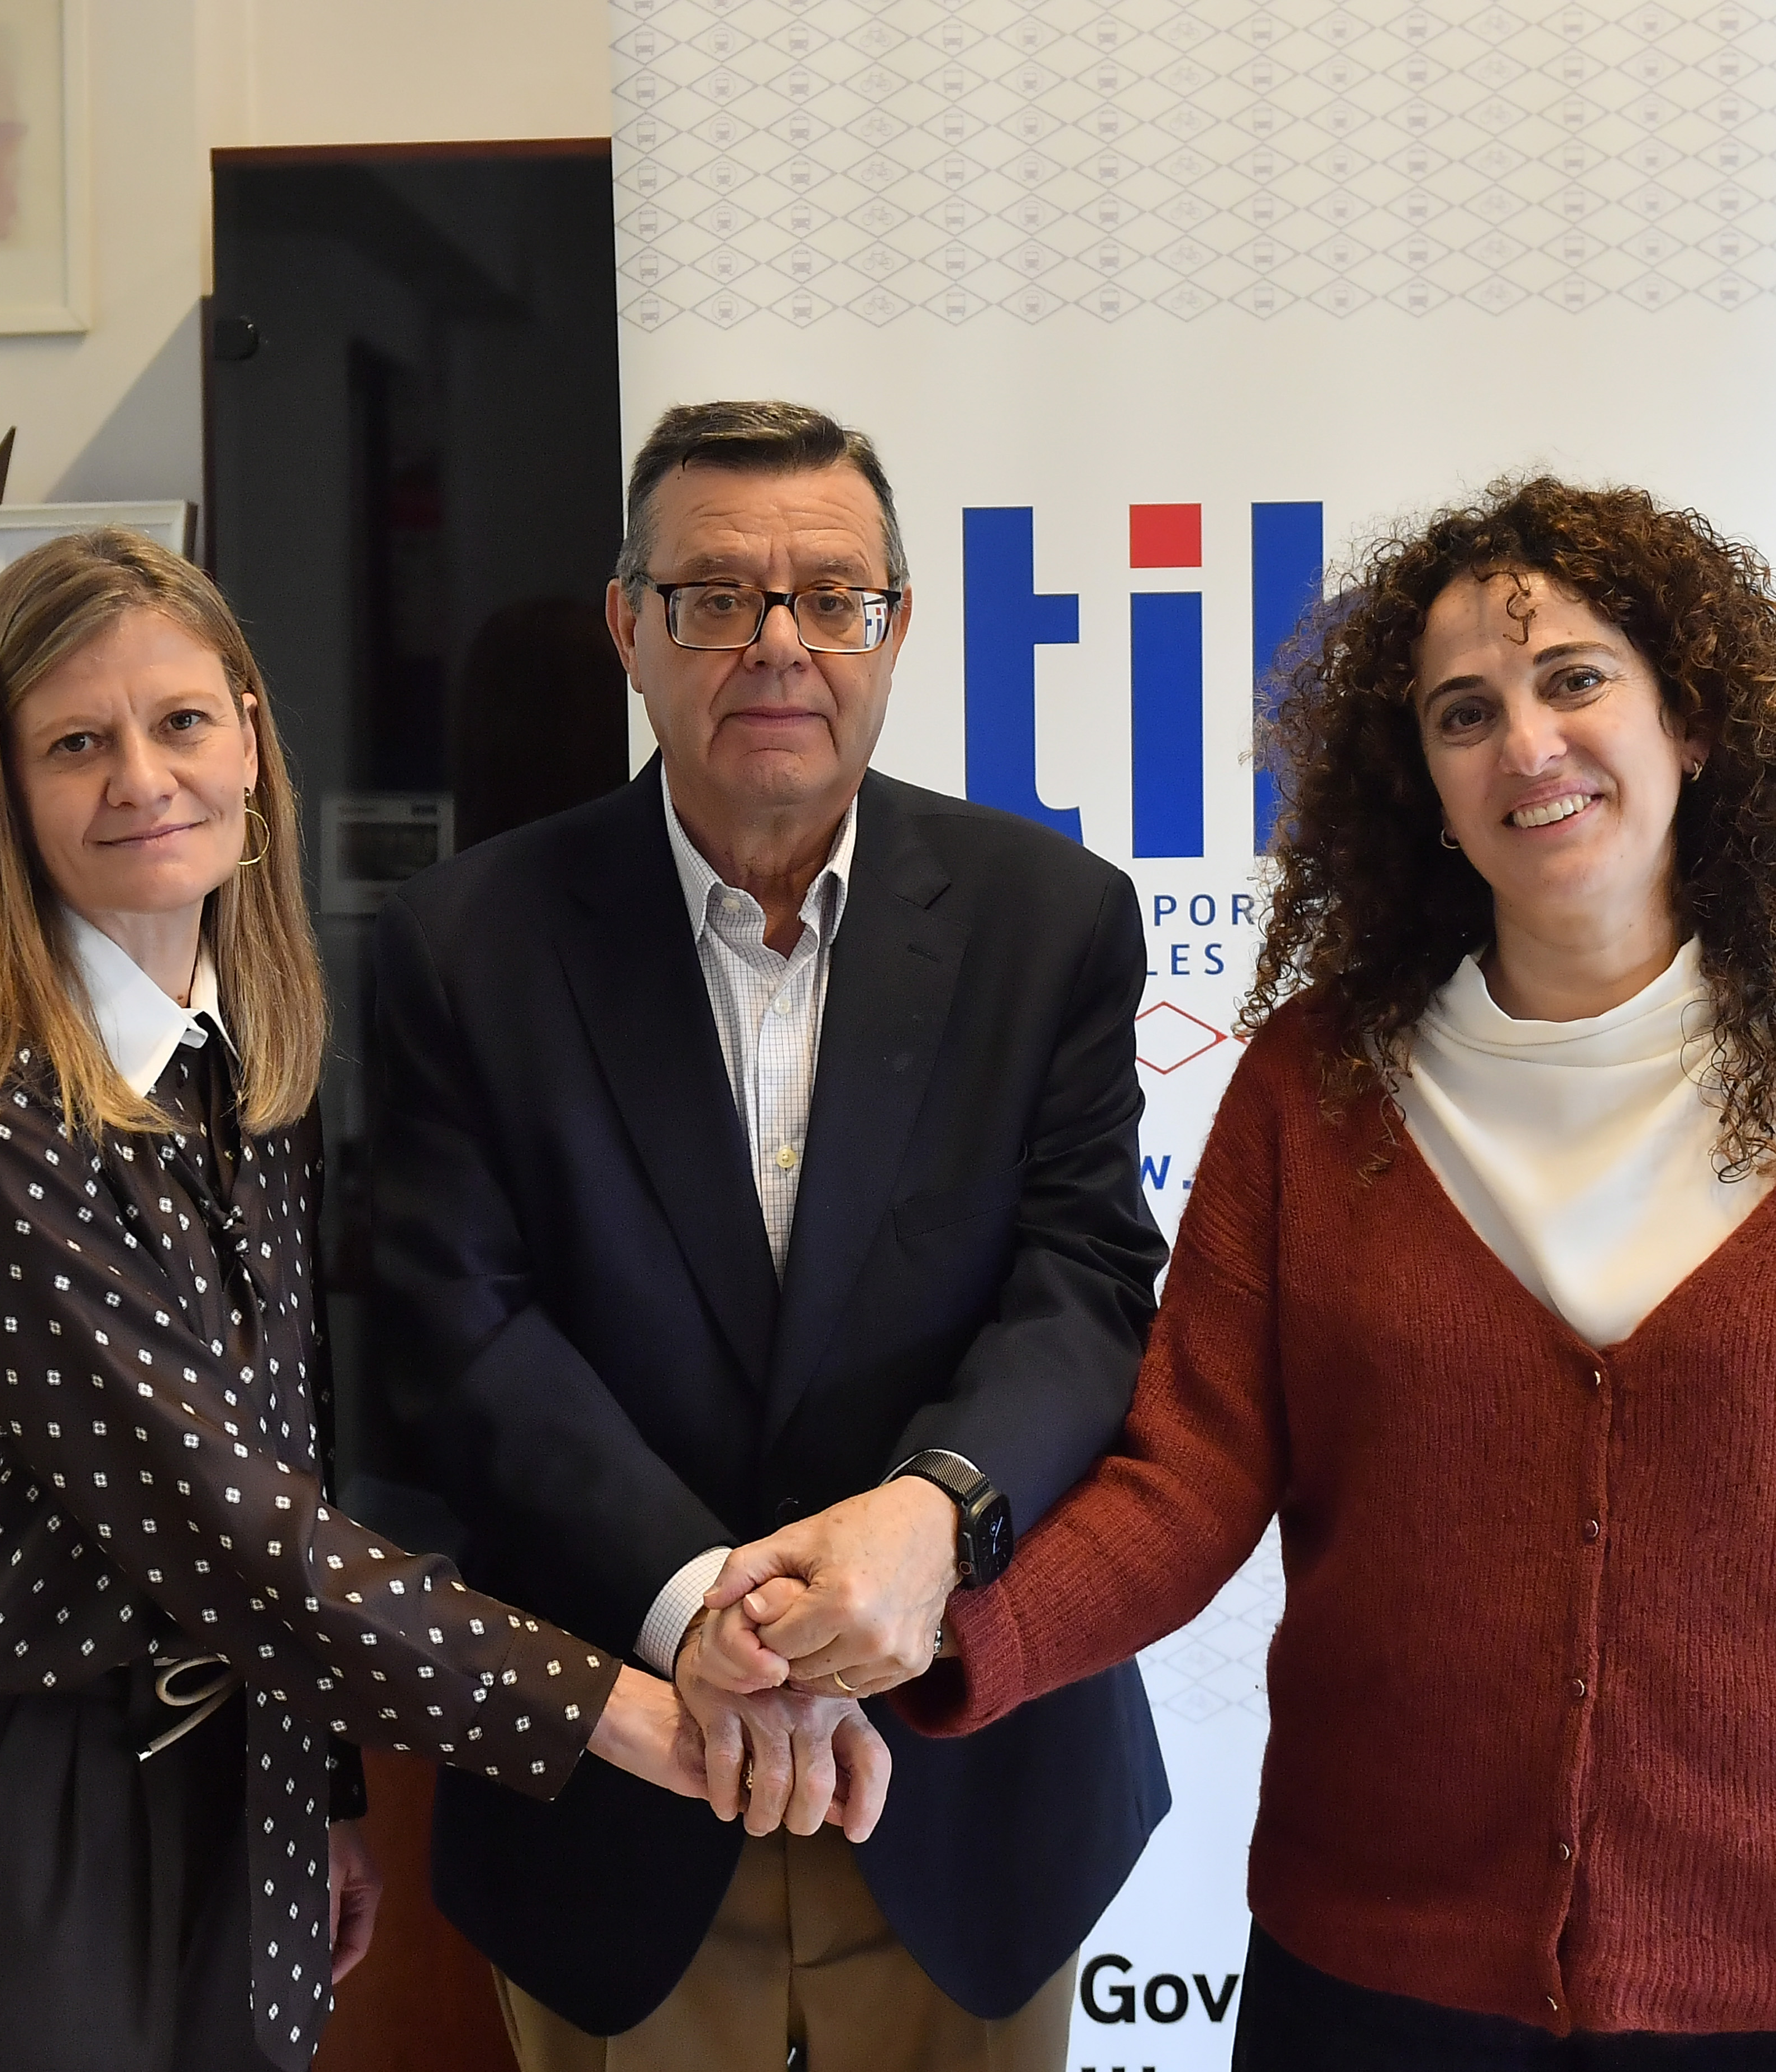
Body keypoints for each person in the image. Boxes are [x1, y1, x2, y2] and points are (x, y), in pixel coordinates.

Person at [715, 478, 1776, 2070]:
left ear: (1696, 725)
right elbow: (1187, 1479)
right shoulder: (1325, 1091)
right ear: (1423, 789)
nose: (1529, 745)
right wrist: (945, 1628)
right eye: (1466, 713)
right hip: (1375, 1985)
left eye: (1577, 679)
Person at [0, 528, 862, 2072]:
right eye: (76, 744)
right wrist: (640, 1716)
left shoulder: (245, 1057)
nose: (143, 781)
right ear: (4, 794)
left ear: (248, 735)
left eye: (179, 723)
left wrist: (324, 1797)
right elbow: (237, 1534)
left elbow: (284, 1448)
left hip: (233, 1776)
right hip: (15, 1818)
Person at [368, 399, 1173, 2071]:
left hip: (965, 1779)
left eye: (832, 597)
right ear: (631, 629)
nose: (779, 645)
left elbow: (1084, 1282)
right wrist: (699, 1608)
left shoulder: (1051, 921)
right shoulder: (467, 944)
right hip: (619, 1773)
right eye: (719, 597)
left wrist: (929, 1523)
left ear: (897, 627)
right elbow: (460, 1333)